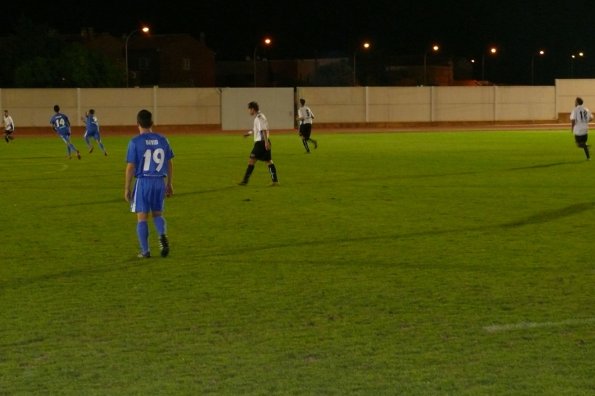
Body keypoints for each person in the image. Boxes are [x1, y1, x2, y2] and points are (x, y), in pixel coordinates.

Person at [125, 109, 174, 258]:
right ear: (152, 123)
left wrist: (127, 188)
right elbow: (169, 162)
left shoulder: (135, 141)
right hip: (159, 181)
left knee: (142, 217)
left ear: (137, 123)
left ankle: (145, 251)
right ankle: (162, 235)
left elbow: (131, 167)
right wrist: (169, 183)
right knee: (157, 214)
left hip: (143, 182)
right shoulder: (163, 139)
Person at [238, 101, 279, 186]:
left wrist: (266, 143)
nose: (249, 111)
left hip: (261, 143)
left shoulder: (259, 117)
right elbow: (256, 129)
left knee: (251, 160)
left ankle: (245, 181)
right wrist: (249, 133)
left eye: (249, 109)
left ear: (253, 109)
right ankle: (275, 181)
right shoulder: (259, 116)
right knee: (268, 161)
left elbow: (263, 130)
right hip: (264, 141)